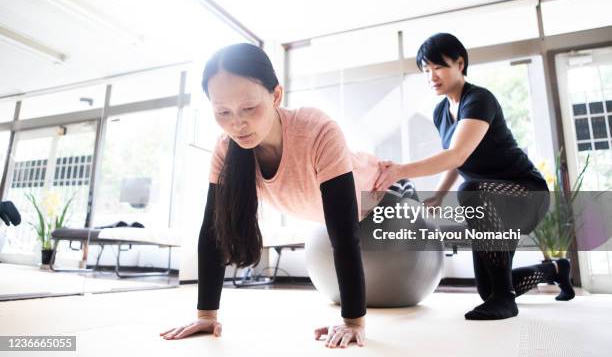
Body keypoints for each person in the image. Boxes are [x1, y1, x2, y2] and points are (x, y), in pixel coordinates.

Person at [159, 43, 413, 348]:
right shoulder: (226, 149)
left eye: (249, 108)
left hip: (386, 197)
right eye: (222, 112)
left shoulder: (318, 130)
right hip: (335, 217)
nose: (237, 123)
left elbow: (344, 235)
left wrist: (352, 322)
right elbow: (214, 230)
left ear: (276, 95)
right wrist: (206, 315)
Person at [374, 33, 575, 320]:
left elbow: (457, 154)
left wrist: (401, 170)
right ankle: (555, 270)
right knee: (488, 290)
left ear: (459, 63)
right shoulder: (441, 111)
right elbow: (459, 161)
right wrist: (440, 195)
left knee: (472, 191)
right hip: (489, 200)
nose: (432, 75)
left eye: (438, 67)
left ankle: (506, 300)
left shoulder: (479, 99)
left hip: (525, 194)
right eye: (425, 70)